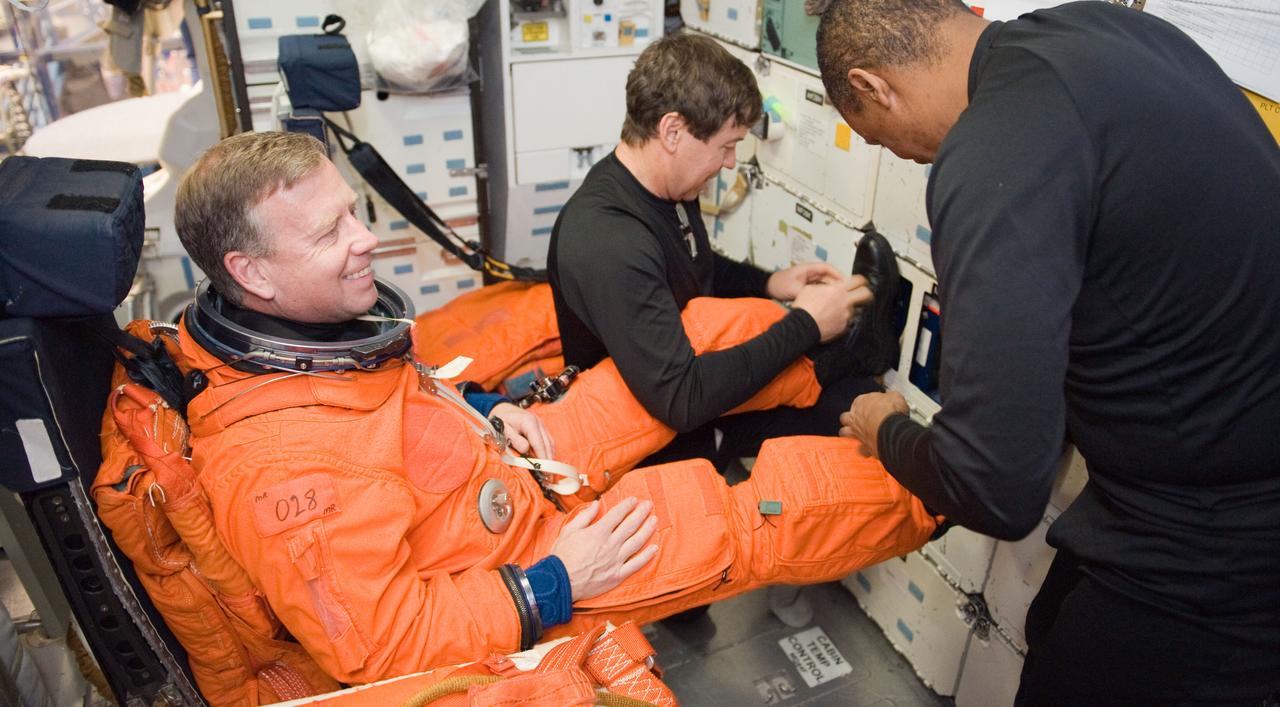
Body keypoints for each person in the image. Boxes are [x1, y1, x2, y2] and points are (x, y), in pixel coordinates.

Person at [171, 130, 941, 684]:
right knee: (739, 516)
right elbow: (382, 646)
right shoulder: (280, 471)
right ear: (252, 273)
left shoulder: (309, 344)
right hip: (524, 563)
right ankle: (941, 476)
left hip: (500, 462)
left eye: (351, 212)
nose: (365, 239)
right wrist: (554, 581)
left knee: (688, 337)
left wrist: (479, 408)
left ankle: (847, 347)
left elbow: (389, 413)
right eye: (329, 231)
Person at [816, 0, 1280, 706]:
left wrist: (888, 429)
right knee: (1052, 617)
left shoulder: (992, 150)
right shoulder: (1099, 33)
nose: (912, 158)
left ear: (872, 87)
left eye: (891, 144)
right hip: (1206, 463)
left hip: (1216, 545)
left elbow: (994, 487)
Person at [547, 32, 901, 473]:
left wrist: (769, 282)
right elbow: (681, 400)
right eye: (727, 146)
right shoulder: (607, 240)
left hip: (689, 389)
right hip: (658, 441)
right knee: (843, 419)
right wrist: (806, 324)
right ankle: (853, 346)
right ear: (672, 131)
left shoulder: (666, 184)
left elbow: (692, 266)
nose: (731, 162)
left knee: (856, 399)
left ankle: (856, 350)